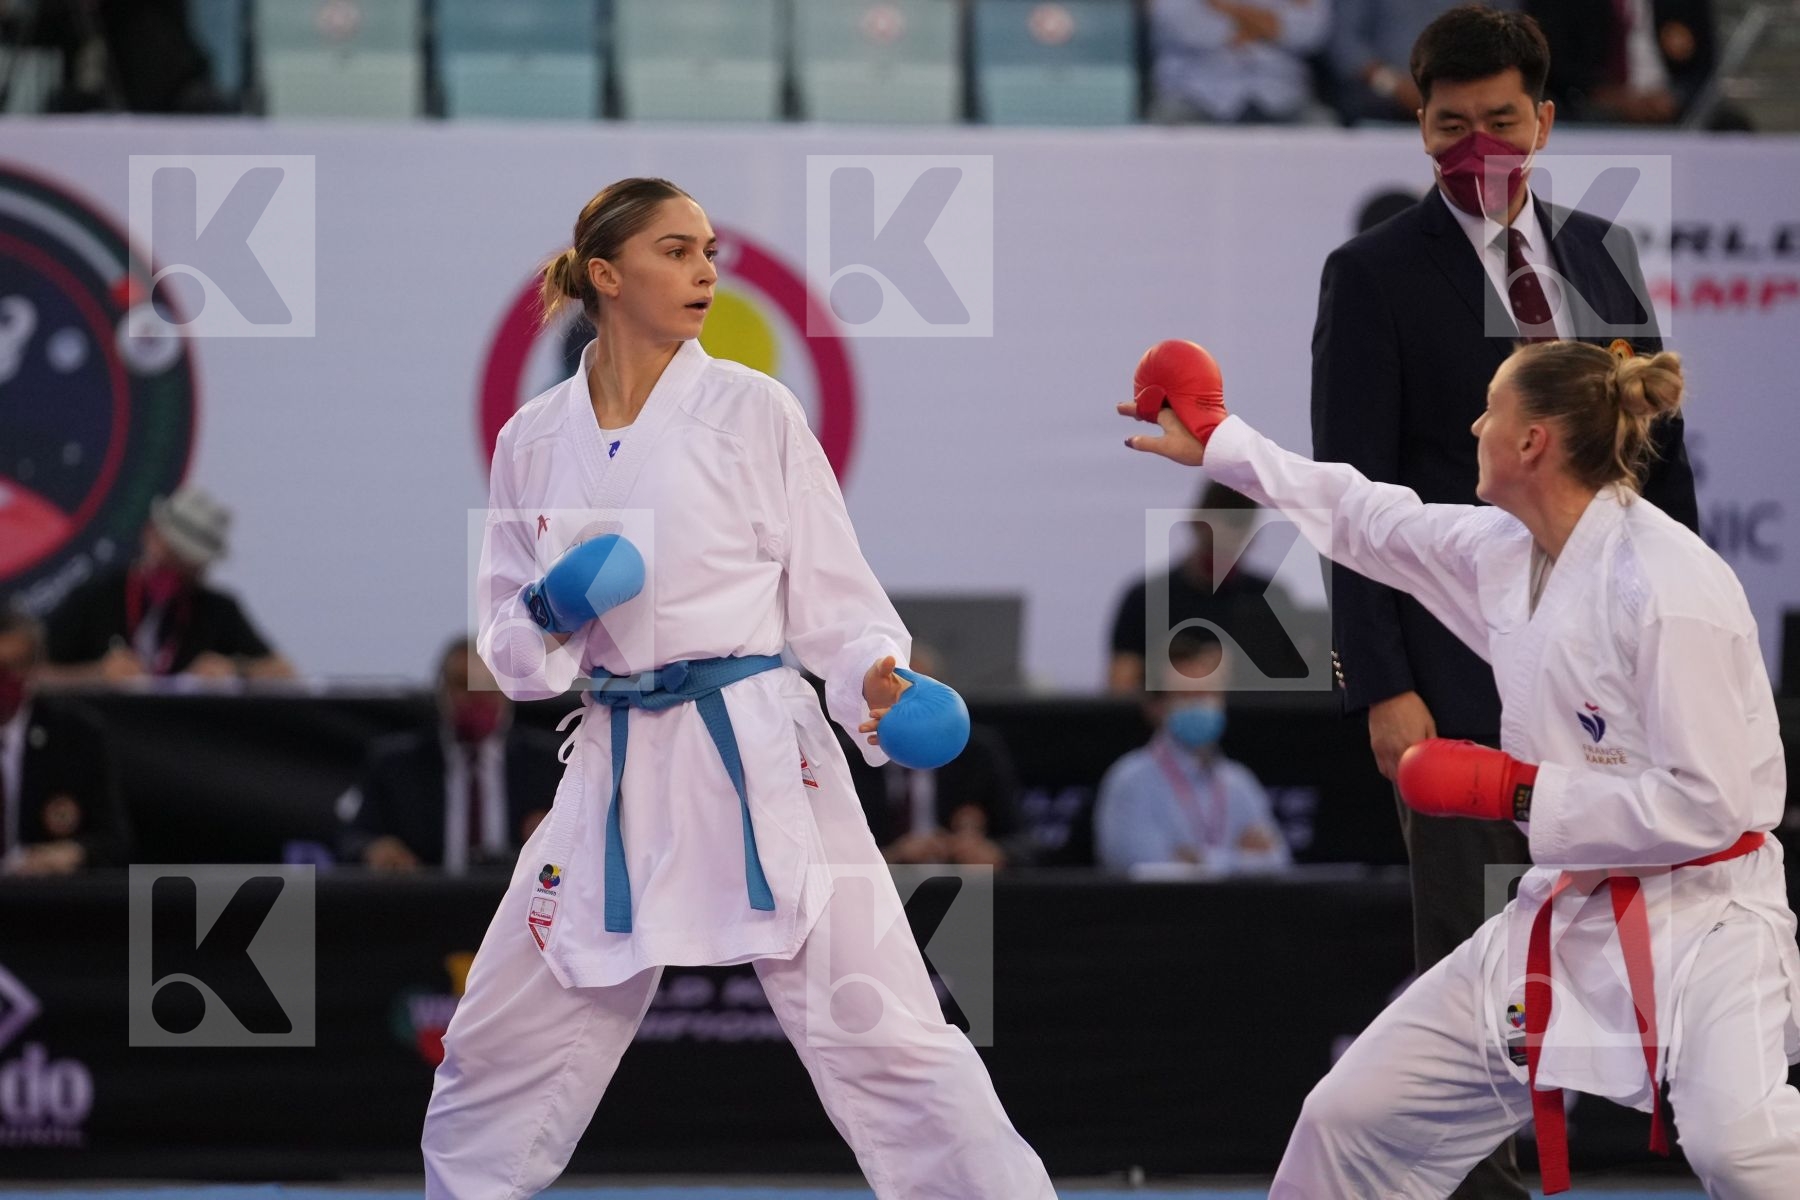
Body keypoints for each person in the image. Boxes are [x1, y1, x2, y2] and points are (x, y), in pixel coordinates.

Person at [421, 178, 1053, 1199]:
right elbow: (509, 655)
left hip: (756, 746)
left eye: (710, 250)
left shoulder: (752, 408)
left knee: (888, 1035)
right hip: (615, 758)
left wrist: (877, 679)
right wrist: (547, 610)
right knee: (497, 1045)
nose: (706, 271)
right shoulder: (531, 440)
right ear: (606, 274)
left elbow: (833, 597)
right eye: (677, 251)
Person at [1123, 341, 1799, 1197]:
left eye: (1491, 409)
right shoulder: (1502, 553)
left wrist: (1514, 791)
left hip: (1710, 923)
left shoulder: (1670, 588)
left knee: (1739, 1148)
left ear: (1532, 443)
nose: (1475, 424)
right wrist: (1221, 440)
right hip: (1570, 911)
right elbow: (1362, 517)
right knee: (1349, 1120)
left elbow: (1712, 804)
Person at [1310, 9, 1698, 1193]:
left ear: (1545, 118)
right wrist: (1385, 687)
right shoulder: (1371, 274)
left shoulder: (1602, 255)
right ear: (1418, 124)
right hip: (1459, 673)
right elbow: (1351, 497)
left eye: (1498, 121)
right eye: (1447, 125)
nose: (1474, 146)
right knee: (1478, 959)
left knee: (1616, 942)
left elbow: (1665, 469)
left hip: (1616, 673)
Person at [337, 637, 561, 874]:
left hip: (518, 904)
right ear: (441, 690)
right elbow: (352, 838)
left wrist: (560, 834)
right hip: (425, 903)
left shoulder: (549, 764)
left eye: (490, 684)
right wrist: (374, 848)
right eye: (464, 684)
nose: (478, 697)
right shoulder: (395, 764)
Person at [41, 485, 295, 683]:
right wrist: (96, 675)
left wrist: (235, 671)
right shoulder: (95, 598)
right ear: (150, 535)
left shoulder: (218, 609)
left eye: (190, 563)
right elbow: (33, 676)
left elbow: (285, 673)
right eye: (172, 553)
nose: (176, 569)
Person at [1095, 628, 1289, 874]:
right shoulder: (1129, 782)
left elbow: (1278, 862)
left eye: (1208, 694)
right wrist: (1240, 859)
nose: (1200, 704)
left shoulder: (1239, 782)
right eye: (1186, 695)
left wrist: (1199, 860)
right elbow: (1146, 869)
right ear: (1155, 706)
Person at [1108, 479, 1313, 695]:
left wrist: (1240, 669)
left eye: (1237, 523)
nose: (1225, 536)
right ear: (1196, 521)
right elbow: (1121, 689)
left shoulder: (1272, 599)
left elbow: (1295, 686)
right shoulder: (1145, 599)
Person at [0, 605, 130, 874]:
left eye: (12, 668)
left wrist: (73, 853)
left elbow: (115, 842)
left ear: (35, 668)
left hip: (40, 898)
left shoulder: (76, 735)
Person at [1527, 0, 1716, 125]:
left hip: (1670, 102)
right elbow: (1553, 57)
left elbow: (1704, 62)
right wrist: (1607, 94)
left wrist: (1676, 98)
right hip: (1590, 101)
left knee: (1728, 123)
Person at [1147, 0, 1334, 124]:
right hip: (1196, 95)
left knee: (1325, 132)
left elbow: (1309, 31)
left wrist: (1228, 7)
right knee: (1156, 137)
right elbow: (1186, 26)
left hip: (1281, 93)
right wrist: (1267, 22)